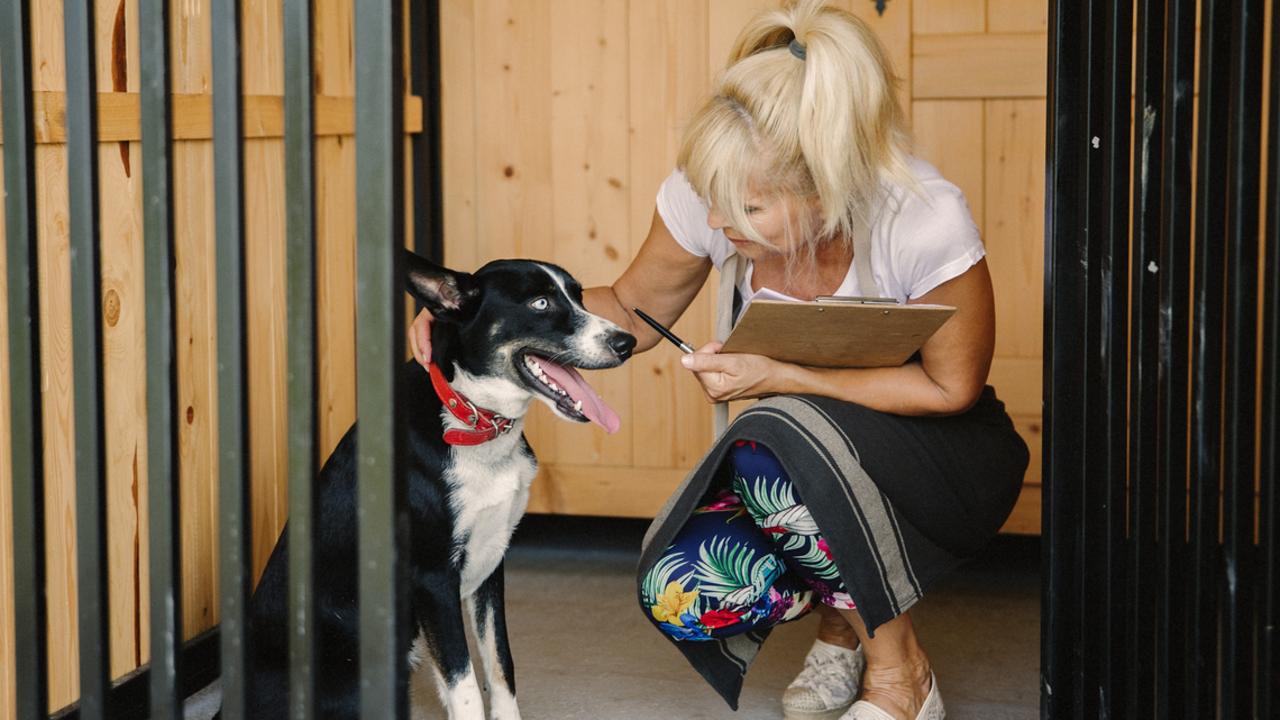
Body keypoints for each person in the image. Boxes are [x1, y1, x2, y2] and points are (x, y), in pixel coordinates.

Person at [411, 1, 1028, 718]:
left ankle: (901, 677)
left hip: (944, 459)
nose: (714, 222)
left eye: (746, 208)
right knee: (685, 592)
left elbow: (953, 389)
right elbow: (634, 310)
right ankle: (842, 622)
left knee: (779, 432)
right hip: (799, 473)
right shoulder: (720, 199)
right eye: (708, 198)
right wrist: (472, 312)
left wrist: (784, 377)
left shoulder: (921, 217)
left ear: (826, 189)